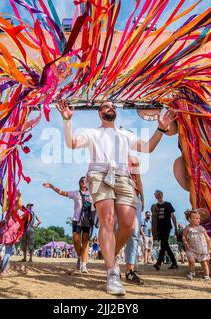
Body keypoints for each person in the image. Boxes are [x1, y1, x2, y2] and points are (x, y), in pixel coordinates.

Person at [57, 99, 174, 295]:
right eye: (105, 106)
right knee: (108, 219)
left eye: (113, 106)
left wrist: (160, 130)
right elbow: (72, 144)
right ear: (100, 113)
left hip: (122, 176)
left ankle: (110, 253)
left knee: (129, 224)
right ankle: (112, 272)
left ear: (116, 112)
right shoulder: (92, 133)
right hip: (98, 174)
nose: (110, 107)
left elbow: (148, 148)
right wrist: (67, 121)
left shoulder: (125, 134)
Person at [43, 177, 95, 273]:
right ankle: (79, 256)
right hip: (77, 220)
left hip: (88, 220)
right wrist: (52, 186)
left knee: (85, 241)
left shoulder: (93, 194)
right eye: (81, 181)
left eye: (85, 181)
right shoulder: (75, 193)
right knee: (76, 240)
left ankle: (84, 265)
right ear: (79, 183)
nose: (83, 182)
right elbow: (62, 192)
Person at [123, 155, 145, 285]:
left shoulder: (133, 158)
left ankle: (129, 270)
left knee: (135, 233)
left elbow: (138, 178)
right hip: (117, 196)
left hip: (134, 196)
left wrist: (142, 196)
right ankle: (112, 268)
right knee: (115, 231)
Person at [151, 190, 179, 270]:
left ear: (162, 195)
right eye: (156, 195)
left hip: (167, 227)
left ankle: (158, 263)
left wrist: (176, 227)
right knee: (165, 245)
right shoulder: (155, 206)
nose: (158, 196)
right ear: (155, 197)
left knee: (163, 243)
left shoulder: (168, 204)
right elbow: (154, 219)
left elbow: (173, 216)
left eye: (159, 194)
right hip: (159, 228)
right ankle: (174, 263)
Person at [183, 209, 211, 280]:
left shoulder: (201, 228)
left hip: (201, 248)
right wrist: (185, 243)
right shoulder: (188, 228)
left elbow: (206, 236)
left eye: (199, 218)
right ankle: (192, 272)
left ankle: (206, 275)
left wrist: (210, 244)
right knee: (191, 260)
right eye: (196, 218)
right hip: (191, 248)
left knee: (204, 263)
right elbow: (184, 236)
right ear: (190, 219)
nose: (199, 220)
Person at [0, 192, 24, 275]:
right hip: (9, 234)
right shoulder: (12, 211)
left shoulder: (11, 212)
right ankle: (3, 270)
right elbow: (19, 205)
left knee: (12, 251)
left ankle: (2, 266)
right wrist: (18, 197)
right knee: (8, 252)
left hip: (9, 234)